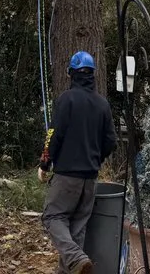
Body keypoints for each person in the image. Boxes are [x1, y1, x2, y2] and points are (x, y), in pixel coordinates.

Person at [38, 51, 118, 274]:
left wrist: (44, 163)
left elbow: (53, 135)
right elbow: (111, 141)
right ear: (92, 74)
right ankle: (74, 263)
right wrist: (96, 159)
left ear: (71, 73)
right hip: (90, 179)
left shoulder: (67, 99)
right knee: (77, 229)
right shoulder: (102, 104)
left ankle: (75, 257)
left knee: (52, 216)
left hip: (67, 176)